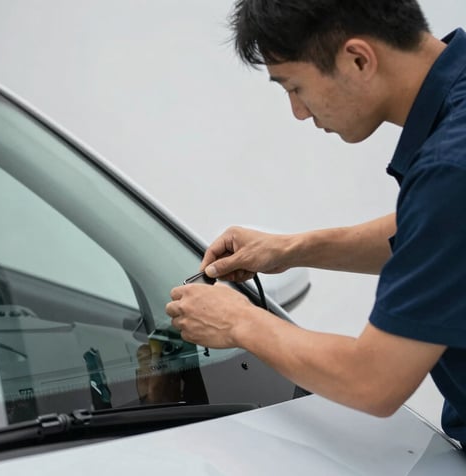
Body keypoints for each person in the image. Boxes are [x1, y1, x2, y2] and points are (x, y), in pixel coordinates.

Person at [165, 0, 466, 446]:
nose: (299, 113)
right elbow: (437, 238)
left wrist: (240, 324)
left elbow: (374, 381)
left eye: (294, 87)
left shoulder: (450, 170)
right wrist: (293, 249)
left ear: (358, 59)